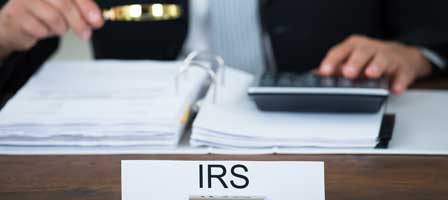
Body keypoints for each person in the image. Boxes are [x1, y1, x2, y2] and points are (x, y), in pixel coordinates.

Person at [0, 0, 447, 99]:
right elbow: (21, 43)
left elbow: (432, 21)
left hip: (324, 129)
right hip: (139, 139)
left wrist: (416, 52)